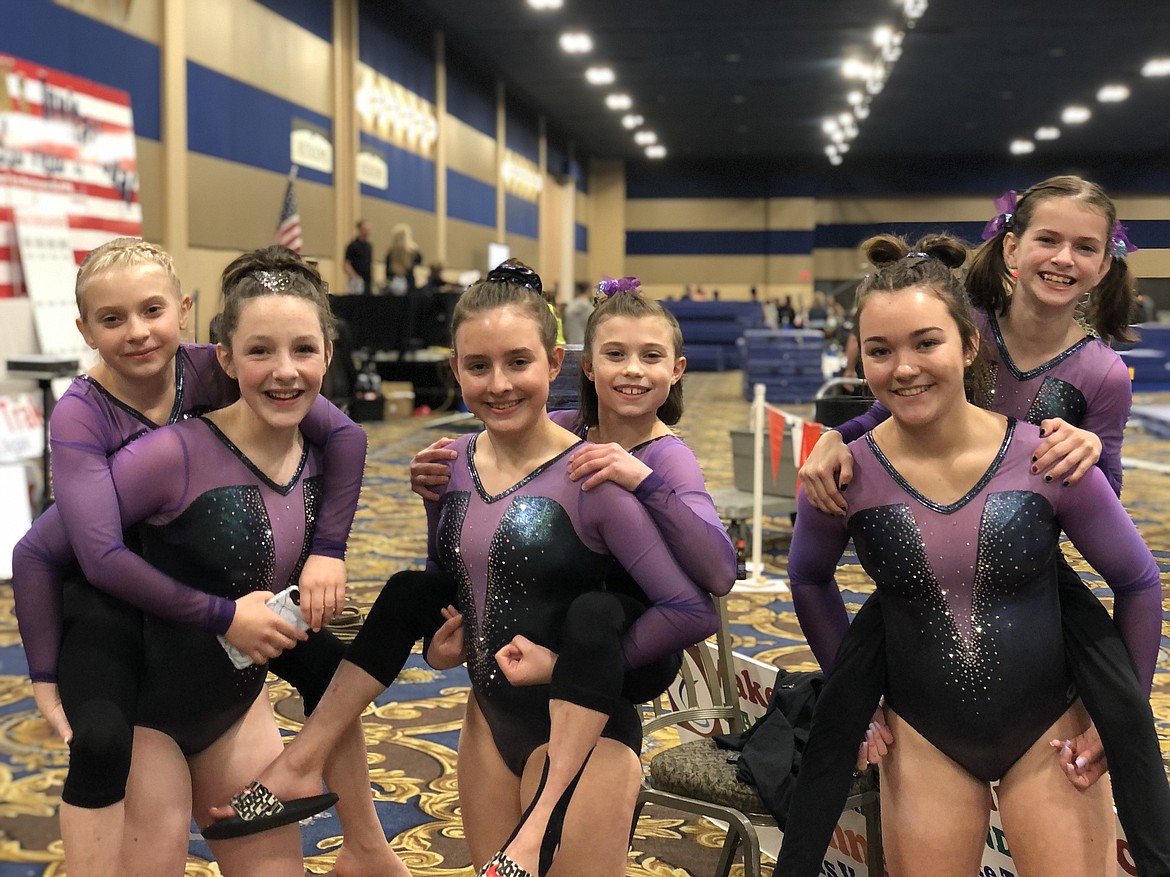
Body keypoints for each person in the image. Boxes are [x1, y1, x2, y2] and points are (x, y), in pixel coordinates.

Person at [204, 261, 720, 877]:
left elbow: (692, 608)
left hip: (587, 736)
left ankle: (299, 764)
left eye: (518, 363)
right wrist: (447, 638)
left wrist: (567, 665)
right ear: (455, 370)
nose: (499, 384)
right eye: (478, 366)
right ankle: (302, 762)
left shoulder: (594, 478)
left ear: (555, 364)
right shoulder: (450, 467)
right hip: (487, 720)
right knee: (406, 590)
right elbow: (451, 580)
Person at [778, 178, 1170, 877]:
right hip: (923, 696)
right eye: (879, 351)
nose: (903, 364)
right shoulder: (966, 333)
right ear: (1011, 248)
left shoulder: (1095, 382)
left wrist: (1124, 711)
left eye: (1085, 246)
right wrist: (836, 438)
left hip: (1039, 607)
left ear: (965, 347)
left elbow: (1131, 563)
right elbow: (808, 569)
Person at [10, 241, 402, 876]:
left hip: (223, 676)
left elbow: (346, 434)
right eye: (113, 320)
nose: (138, 333)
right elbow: (57, 553)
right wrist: (47, 677)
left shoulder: (218, 371)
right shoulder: (91, 418)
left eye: (152, 311)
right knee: (106, 750)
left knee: (340, 670)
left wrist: (328, 552)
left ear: (185, 313)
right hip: (122, 637)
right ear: (85, 330)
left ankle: (366, 845)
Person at [416, 274, 737, 877]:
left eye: (650, 356)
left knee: (595, 614)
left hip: (602, 681)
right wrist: (435, 491)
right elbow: (510, 448)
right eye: (614, 355)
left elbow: (713, 583)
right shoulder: (564, 437)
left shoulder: (647, 462)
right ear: (585, 367)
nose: (630, 372)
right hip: (491, 712)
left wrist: (642, 480)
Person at [344, 219, 373, 294]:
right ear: (360, 229)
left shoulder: (369, 246)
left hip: (367, 281)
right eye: (365, 229)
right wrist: (354, 277)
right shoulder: (353, 245)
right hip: (356, 280)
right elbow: (346, 264)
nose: (367, 231)